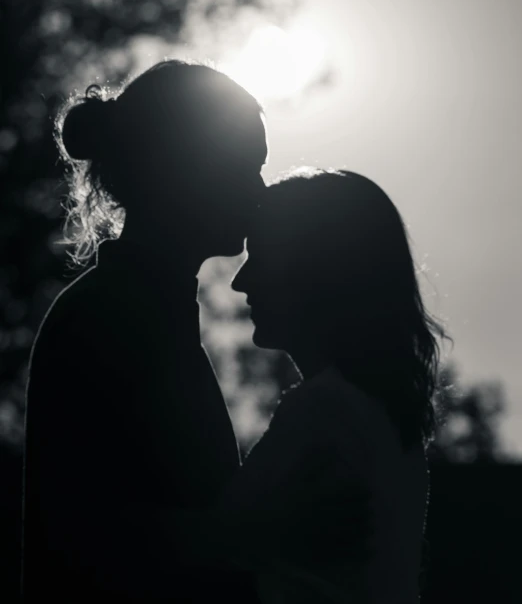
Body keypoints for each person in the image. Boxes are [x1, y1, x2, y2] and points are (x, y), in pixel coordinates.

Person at [22, 62, 367, 603]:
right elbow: (84, 538)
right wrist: (270, 526)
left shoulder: (141, 314)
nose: (257, 190)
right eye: (244, 166)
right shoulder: (107, 320)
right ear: (181, 168)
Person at [222, 167, 450, 603]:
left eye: (262, 256)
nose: (240, 281)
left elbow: (220, 546)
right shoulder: (388, 423)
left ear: (314, 268)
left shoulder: (324, 414)